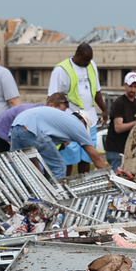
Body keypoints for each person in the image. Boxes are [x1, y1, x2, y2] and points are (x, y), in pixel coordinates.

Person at [9, 94, 108, 178]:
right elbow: (95, 156)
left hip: (16, 127)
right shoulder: (78, 124)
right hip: (32, 130)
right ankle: (56, 194)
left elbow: (33, 154)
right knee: (58, 167)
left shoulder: (61, 121)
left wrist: (39, 174)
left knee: (19, 167)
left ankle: (15, 193)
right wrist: (109, 177)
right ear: (83, 121)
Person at [48, 43, 108, 176]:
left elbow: (97, 90)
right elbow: (51, 98)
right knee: (68, 157)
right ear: (78, 55)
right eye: (86, 60)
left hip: (89, 120)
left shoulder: (92, 65)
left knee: (87, 156)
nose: (88, 63)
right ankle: (66, 183)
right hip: (70, 120)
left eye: (90, 60)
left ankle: (84, 183)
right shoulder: (61, 70)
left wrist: (104, 109)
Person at [106, 72, 136, 171]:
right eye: (130, 86)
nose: (133, 89)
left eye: (135, 87)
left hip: (130, 151)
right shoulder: (119, 103)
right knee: (120, 177)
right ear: (125, 85)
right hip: (117, 150)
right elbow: (118, 128)